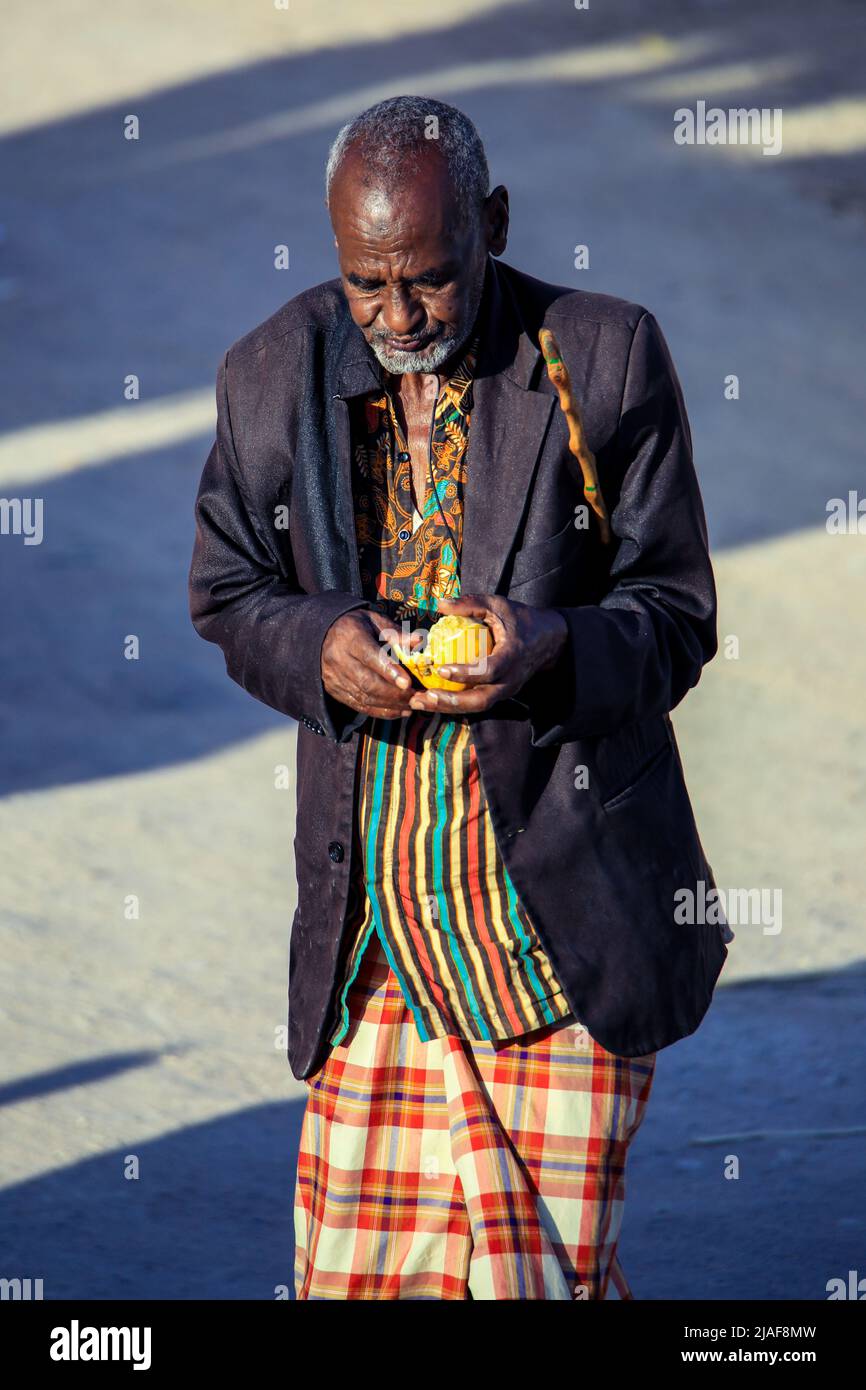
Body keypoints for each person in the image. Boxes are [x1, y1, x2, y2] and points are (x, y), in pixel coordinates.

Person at [188, 94, 729, 1300]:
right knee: (360, 1274)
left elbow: (675, 615)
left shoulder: (602, 355)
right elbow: (228, 590)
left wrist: (544, 646)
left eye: (426, 281)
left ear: (490, 222)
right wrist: (322, 640)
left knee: (539, 1276)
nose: (394, 319)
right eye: (364, 286)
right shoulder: (270, 374)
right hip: (376, 936)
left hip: (551, 925)